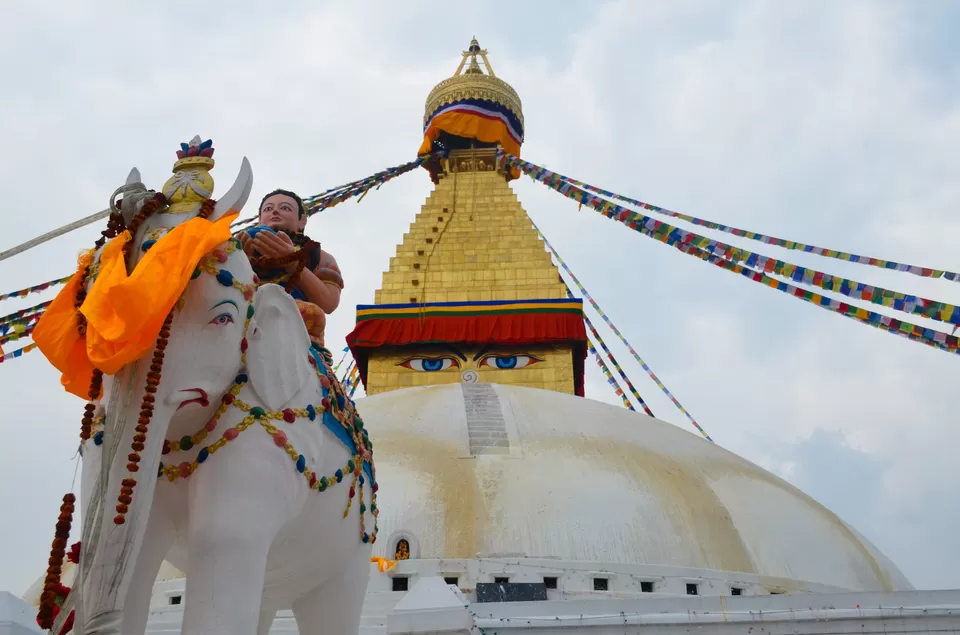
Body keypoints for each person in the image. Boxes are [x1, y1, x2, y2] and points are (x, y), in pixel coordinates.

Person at [238, 189, 343, 348]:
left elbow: (328, 303)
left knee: (312, 314)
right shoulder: (241, 249)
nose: (275, 211)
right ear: (259, 219)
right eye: (268, 209)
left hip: (295, 319)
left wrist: (293, 262)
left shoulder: (316, 255)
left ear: (302, 221)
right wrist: (239, 262)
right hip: (246, 314)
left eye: (285, 208)